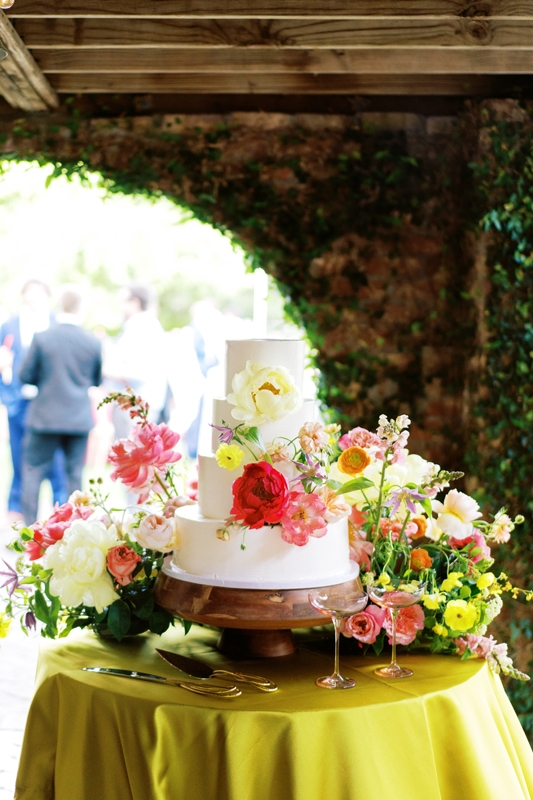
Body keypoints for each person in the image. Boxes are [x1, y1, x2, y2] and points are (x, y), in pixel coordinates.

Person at [19, 286, 102, 525]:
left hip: (44, 417)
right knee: (74, 476)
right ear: (80, 308)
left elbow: (25, 375)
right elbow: (95, 380)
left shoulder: (42, 337)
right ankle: (72, 530)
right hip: (77, 418)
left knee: (33, 472)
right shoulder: (92, 342)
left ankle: (29, 530)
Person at [0, 280, 66, 523]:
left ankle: (59, 511)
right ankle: (16, 510)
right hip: (18, 402)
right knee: (19, 457)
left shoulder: (57, 322)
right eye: (29, 293)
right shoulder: (9, 325)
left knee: (55, 459)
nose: (34, 298)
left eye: (39, 293)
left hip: (50, 403)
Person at [103, 284, 169, 438]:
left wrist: (107, 370)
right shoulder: (144, 325)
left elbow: (139, 372)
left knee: (130, 457)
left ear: (135, 302)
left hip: (134, 406)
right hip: (136, 404)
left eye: (123, 300)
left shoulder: (141, 326)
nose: (119, 305)